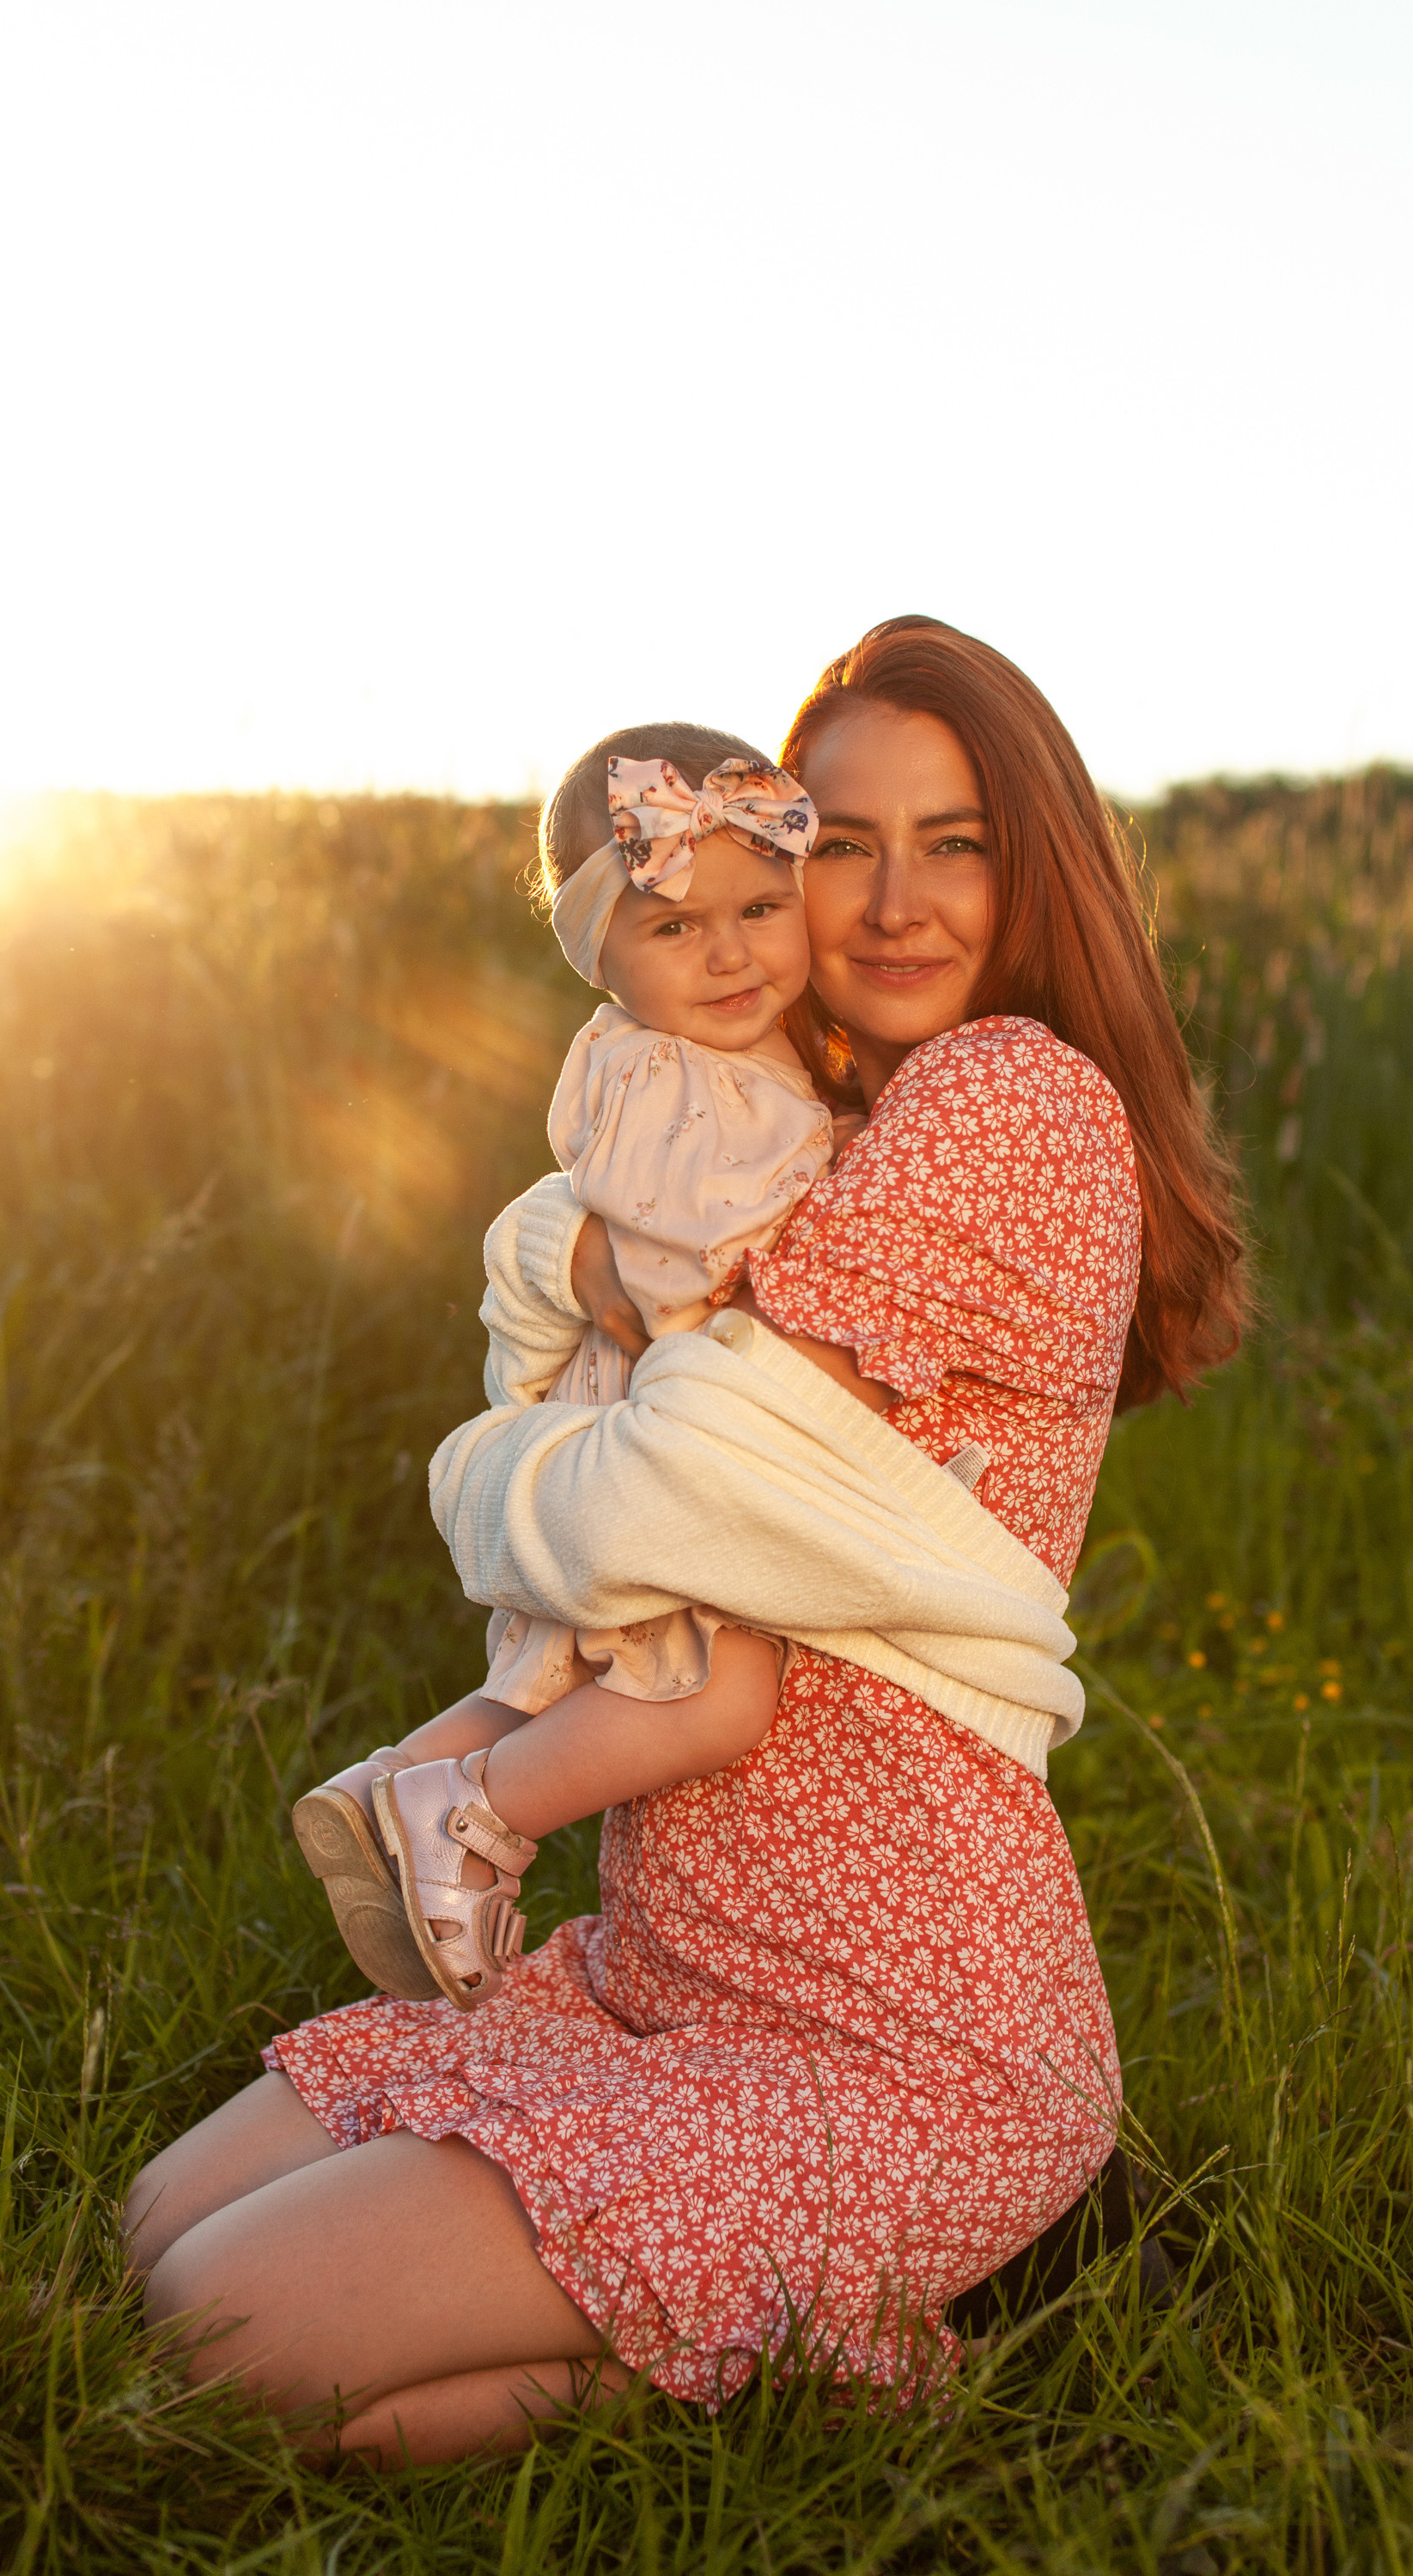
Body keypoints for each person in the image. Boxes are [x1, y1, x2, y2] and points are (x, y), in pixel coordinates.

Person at [121, 615, 1247, 2469]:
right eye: (841, 841)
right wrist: (570, 1357)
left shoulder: (1009, 1097)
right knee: (160, 2233)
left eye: (951, 841)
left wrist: (484, 1474)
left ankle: (854, 2342)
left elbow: (645, 1490)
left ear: (1033, 860)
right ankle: (770, 2312)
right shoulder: (791, 1106)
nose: (885, 902)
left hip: (897, 2036)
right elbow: (585, 1327)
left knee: (223, 2340)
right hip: (667, 1973)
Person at [290, 732, 837, 2009]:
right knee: (712, 1694)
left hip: (609, 1418)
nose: (731, 954)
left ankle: (389, 1787)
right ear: (598, 953)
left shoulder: (631, 1054)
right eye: (675, 928)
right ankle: (470, 1821)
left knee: (560, 1674)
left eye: (763, 908)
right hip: (658, 1430)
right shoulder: (690, 1084)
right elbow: (702, 1253)